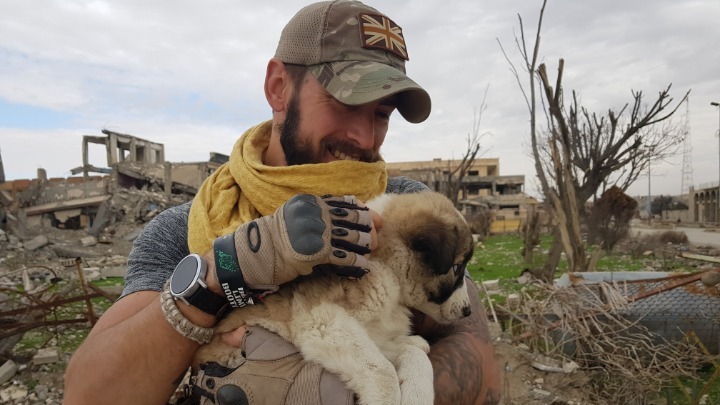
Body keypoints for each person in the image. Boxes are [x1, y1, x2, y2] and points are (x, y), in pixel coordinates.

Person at [63, 1, 500, 404]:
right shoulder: (183, 230)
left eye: (382, 114)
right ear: (278, 87)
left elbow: (480, 365)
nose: (365, 137)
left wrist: (335, 390)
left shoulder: (404, 212)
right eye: (347, 100)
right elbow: (88, 394)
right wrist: (220, 276)